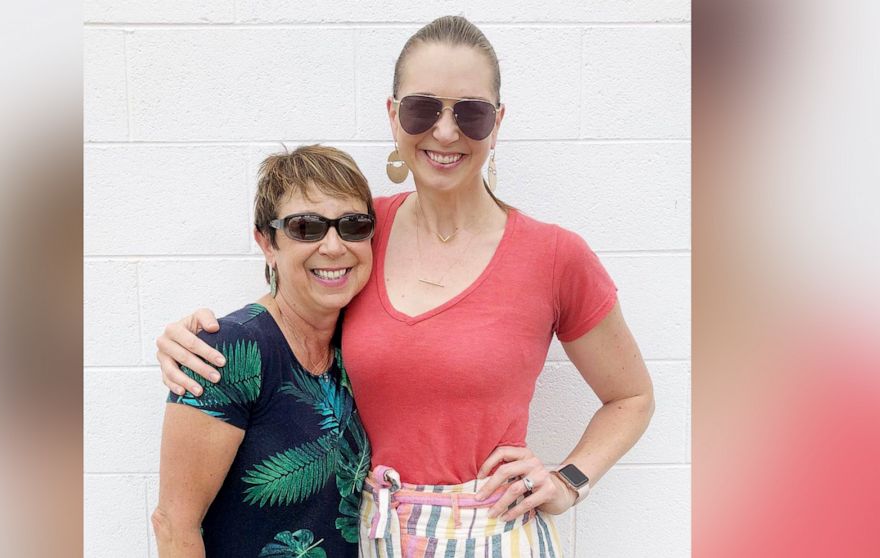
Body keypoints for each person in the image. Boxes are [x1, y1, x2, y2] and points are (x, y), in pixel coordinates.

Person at [155, 16, 655, 557]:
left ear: (498, 121)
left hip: (494, 537)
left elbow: (631, 396)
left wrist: (569, 481)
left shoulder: (555, 256)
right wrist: (199, 338)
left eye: (472, 112)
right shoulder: (356, 233)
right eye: (423, 108)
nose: (445, 132)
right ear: (393, 115)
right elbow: (293, 311)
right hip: (372, 534)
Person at [151, 145, 376, 557]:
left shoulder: (359, 347)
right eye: (306, 227)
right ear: (267, 243)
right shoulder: (229, 352)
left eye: (353, 225)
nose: (333, 246)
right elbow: (173, 525)